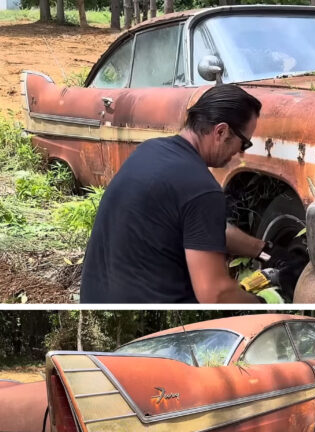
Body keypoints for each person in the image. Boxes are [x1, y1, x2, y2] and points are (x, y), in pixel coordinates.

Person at [80, 84, 292, 303]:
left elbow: (201, 229)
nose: (240, 153)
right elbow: (215, 294)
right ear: (221, 131)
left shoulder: (149, 151)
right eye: (244, 143)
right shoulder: (202, 189)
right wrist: (264, 304)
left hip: (96, 298)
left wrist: (266, 251)